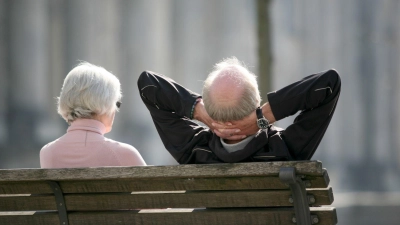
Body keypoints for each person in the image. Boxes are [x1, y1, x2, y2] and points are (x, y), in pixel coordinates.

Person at [137, 57, 341, 164]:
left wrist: (200, 113)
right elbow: (329, 84)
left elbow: (149, 85)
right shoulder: (285, 149)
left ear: (211, 109)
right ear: (257, 101)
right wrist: (263, 118)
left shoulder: (193, 151)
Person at [40, 62, 147, 168]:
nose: (115, 110)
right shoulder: (125, 154)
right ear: (106, 102)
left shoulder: (48, 152)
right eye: (116, 104)